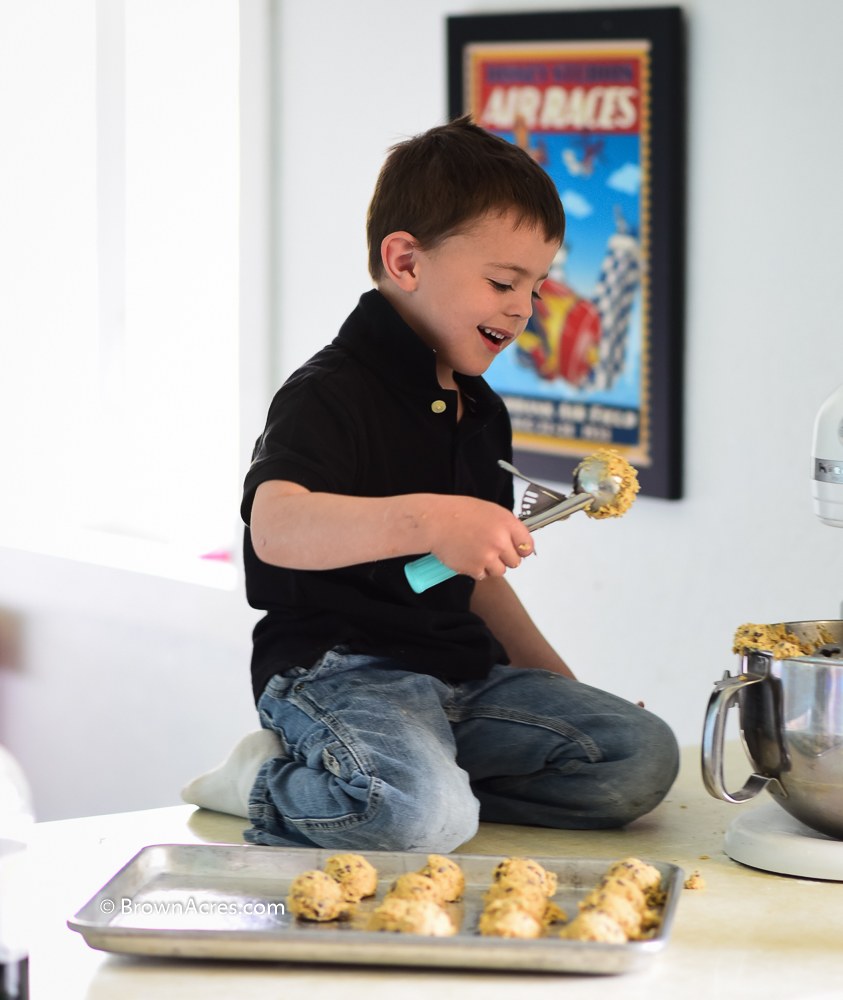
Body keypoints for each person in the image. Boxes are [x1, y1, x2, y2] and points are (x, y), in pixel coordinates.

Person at [183, 117, 678, 850]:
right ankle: (265, 784)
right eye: (504, 282)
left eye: (537, 287)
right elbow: (276, 527)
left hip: (461, 680)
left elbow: (471, 581)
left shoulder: (481, 412)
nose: (524, 308)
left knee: (643, 758)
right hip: (340, 674)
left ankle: (428, 790)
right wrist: (426, 520)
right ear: (406, 262)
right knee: (418, 817)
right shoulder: (328, 392)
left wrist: (562, 687)